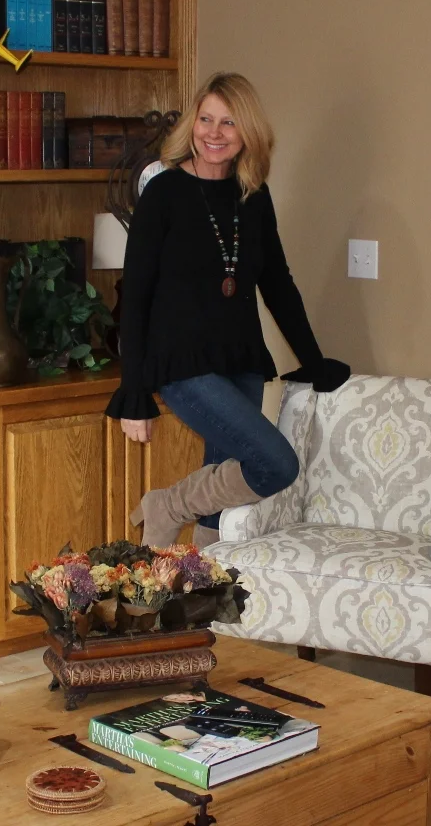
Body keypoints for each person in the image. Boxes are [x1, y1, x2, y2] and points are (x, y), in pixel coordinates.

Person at [105, 72, 349, 550]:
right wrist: (133, 391)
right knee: (276, 464)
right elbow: (135, 296)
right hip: (182, 365)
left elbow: (278, 284)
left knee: (220, 505)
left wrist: (314, 361)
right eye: (206, 119)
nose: (214, 133)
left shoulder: (252, 194)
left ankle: (205, 587)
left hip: (242, 360)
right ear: (192, 124)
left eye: (229, 122)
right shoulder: (164, 193)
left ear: (248, 132)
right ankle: (168, 505)